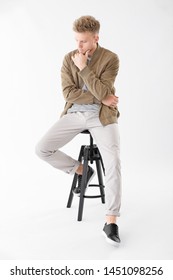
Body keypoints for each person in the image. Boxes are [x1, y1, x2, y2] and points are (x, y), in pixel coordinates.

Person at [35, 15, 122, 246]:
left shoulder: (110, 58)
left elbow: (104, 92)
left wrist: (84, 69)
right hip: (74, 113)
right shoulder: (68, 58)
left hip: (102, 116)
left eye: (83, 41)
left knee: (113, 161)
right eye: (76, 40)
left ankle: (111, 220)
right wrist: (102, 97)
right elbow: (69, 94)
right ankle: (81, 170)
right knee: (42, 149)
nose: (79, 46)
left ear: (96, 38)